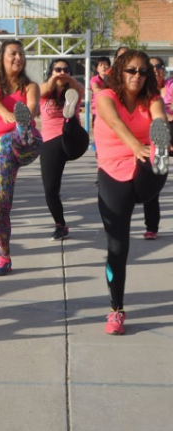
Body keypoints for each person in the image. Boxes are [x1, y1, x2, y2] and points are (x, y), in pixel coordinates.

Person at [93, 49, 170, 335]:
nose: (138, 76)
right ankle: (116, 310)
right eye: (132, 70)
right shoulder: (105, 96)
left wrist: (159, 132)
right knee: (117, 247)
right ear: (119, 72)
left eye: (143, 72)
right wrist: (135, 145)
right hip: (112, 172)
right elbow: (115, 122)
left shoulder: (152, 99)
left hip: (144, 169)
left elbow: (159, 117)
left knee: (155, 157)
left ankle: (160, 157)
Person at [0, 39, 43, 276]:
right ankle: (4, 256)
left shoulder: (30, 86)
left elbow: (33, 105)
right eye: (13, 54)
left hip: (26, 142)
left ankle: (23, 129)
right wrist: (5, 113)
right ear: (1, 57)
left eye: (21, 54)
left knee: (22, 135)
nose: (18, 58)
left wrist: (25, 117)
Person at [38, 59, 90, 240]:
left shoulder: (75, 90)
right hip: (51, 141)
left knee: (69, 124)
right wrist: (54, 79)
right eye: (58, 69)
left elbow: (80, 89)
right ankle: (60, 225)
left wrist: (68, 80)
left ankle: (69, 115)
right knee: (50, 188)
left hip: (74, 139)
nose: (62, 72)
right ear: (50, 72)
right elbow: (43, 89)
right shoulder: (43, 91)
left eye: (66, 69)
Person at [140, 56, 173, 240]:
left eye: (159, 66)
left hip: (168, 127)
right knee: (153, 180)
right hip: (152, 135)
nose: (155, 69)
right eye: (151, 67)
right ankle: (151, 227)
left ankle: (162, 140)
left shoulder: (170, 85)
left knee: (163, 123)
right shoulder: (143, 91)